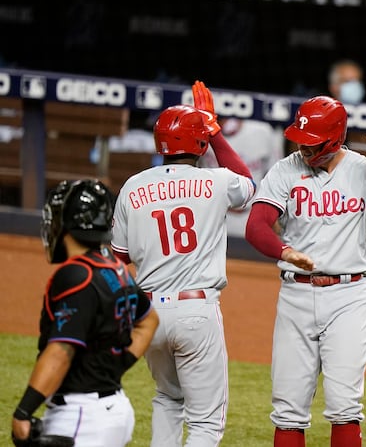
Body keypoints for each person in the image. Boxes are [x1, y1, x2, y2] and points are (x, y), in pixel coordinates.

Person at [244, 95, 366, 447]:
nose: (303, 148)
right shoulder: (285, 169)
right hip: (296, 295)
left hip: (348, 296)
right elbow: (256, 226)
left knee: (344, 406)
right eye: (300, 141)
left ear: (335, 139)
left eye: (312, 143)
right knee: (288, 409)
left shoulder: (363, 168)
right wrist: (286, 251)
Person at [110, 81, 257, 447]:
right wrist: (215, 130)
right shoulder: (217, 181)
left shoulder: (132, 187)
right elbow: (249, 186)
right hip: (196, 310)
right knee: (206, 423)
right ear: (201, 143)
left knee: (167, 399)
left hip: (148, 314)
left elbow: (120, 257)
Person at [11, 179, 159, 447]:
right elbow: (149, 321)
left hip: (82, 416)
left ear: (68, 225)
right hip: (113, 408)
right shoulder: (115, 268)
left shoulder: (76, 276)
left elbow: (61, 351)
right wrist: (116, 366)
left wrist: (23, 411)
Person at [199, 116, 284, 236]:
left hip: (252, 215)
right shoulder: (204, 132)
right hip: (215, 215)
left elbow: (276, 178)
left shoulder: (262, 131)